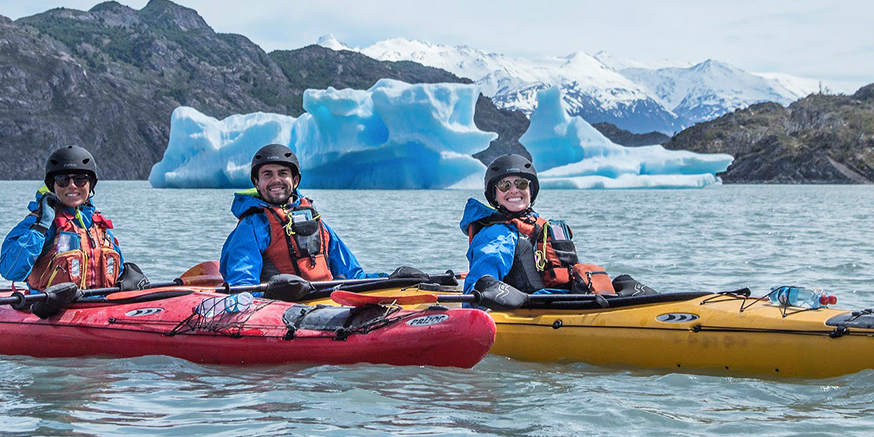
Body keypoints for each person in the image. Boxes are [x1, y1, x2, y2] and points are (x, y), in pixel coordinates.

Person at [219, 144, 425, 298]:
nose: (276, 180)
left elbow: (352, 273)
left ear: (295, 181)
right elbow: (243, 285)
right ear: (256, 182)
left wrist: (390, 280)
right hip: (281, 308)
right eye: (267, 174)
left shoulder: (315, 221)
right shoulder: (252, 226)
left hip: (325, 302)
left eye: (283, 173)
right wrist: (270, 297)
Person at [459, 154, 656, 301]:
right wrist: (479, 303)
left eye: (521, 183)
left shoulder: (541, 226)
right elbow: (479, 285)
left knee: (623, 282)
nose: (514, 190)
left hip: (564, 298)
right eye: (504, 186)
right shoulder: (497, 233)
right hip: (535, 306)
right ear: (494, 195)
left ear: (531, 190)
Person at [0, 145, 147, 318]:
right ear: (52, 184)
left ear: (90, 184)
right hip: (50, 310)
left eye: (80, 179)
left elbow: (117, 267)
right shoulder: (37, 223)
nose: (71, 186)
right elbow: (10, 271)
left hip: (99, 308)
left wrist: (128, 280)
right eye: (62, 180)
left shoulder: (97, 225)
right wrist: (42, 226)